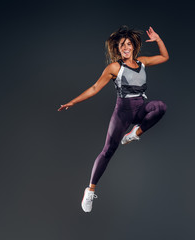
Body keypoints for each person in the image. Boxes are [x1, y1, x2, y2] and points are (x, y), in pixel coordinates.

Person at [58, 26, 169, 213]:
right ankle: (90, 189)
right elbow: (94, 88)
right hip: (122, 113)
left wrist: (158, 39)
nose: (125, 47)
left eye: (128, 44)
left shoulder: (142, 62)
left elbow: (164, 57)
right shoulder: (114, 67)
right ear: (117, 49)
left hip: (141, 108)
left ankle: (135, 132)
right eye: (121, 45)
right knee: (108, 150)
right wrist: (73, 101)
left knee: (160, 107)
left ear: (134, 46)